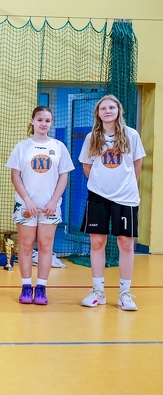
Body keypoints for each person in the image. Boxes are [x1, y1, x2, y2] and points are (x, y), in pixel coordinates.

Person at [79, 95, 145, 311]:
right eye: (103, 108)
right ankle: (98, 291)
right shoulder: (92, 137)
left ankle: (125, 293)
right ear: (98, 113)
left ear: (118, 111)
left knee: (125, 243)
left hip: (126, 198)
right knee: (97, 242)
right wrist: (101, 185)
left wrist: (125, 186)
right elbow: (87, 166)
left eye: (111, 107)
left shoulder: (131, 135)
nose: (107, 111)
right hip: (98, 197)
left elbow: (137, 165)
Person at [6, 106, 73, 305]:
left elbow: (63, 176)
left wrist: (53, 201)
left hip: (49, 207)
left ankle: (42, 288)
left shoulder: (59, 147)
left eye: (47, 120)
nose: (44, 124)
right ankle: (26, 287)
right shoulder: (22, 147)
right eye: (40, 120)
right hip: (26, 206)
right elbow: (15, 176)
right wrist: (27, 200)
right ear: (32, 121)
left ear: (51, 123)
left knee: (45, 246)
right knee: (26, 246)